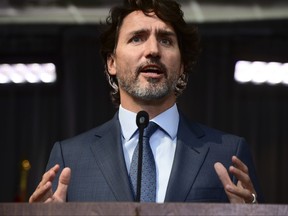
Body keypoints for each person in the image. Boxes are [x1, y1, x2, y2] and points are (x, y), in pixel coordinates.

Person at [29, 0, 262, 203]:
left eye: (166, 40)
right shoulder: (70, 157)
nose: (153, 50)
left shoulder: (228, 152)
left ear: (182, 65)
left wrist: (253, 213)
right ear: (112, 62)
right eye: (137, 38)